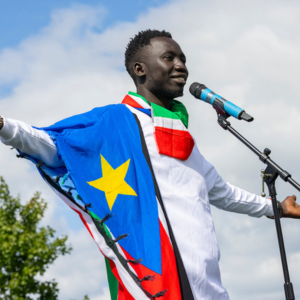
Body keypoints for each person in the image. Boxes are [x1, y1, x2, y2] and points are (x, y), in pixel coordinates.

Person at [0, 29, 299, 300]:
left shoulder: (184, 140)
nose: (181, 65)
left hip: (208, 288)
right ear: (139, 69)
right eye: (169, 57)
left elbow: (224, 192)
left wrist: (275, 207)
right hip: (159, 284)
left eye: (183, 58)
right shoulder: (117, 122)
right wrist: (5, 126)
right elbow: (52, 144)